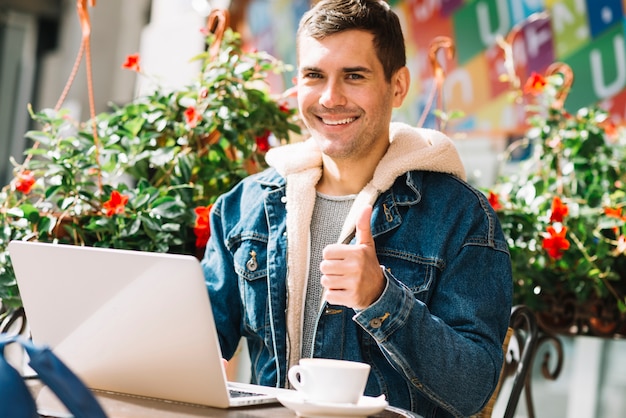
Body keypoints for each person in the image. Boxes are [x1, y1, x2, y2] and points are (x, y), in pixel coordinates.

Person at [201, 0, 513, 416]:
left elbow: (472, 388)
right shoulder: (245, 207)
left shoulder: (460, 217)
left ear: (398, 86)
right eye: (315, 75)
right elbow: (194, 346)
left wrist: (381, 298)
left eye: (354, 76)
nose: (330, 98)